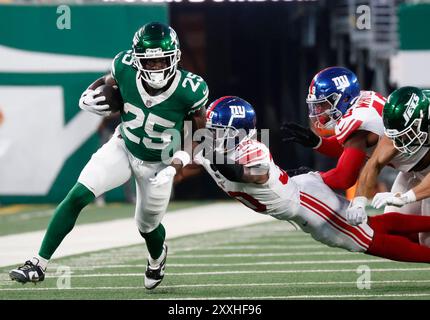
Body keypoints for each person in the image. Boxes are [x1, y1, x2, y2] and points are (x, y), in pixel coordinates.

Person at [9, 22, 209, 290]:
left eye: (161, 60)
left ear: (175, 57)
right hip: (124, 146)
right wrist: (89, 95)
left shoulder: (191, 88)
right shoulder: (123, 66)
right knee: (78, 195)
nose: (155, 68)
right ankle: (37, 263)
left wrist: (179, 161)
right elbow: (107, 82)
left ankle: (157, 258)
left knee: (147, 227)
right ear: (136, 60)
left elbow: (200, 132)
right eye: (148, 62)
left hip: (160, 162)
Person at [196, 96, 430, 263]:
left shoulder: (251, 149)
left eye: (218, 130)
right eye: (211, 129)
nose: (212, 134)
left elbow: (249, 174)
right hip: (303, 193)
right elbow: (188, 151)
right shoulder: (214, 150)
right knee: (373, 227)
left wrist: (211, 155)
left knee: (369, 241)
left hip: (305, 203)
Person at [346, 87, 430, 246]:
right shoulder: (401, 125)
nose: (400, 142)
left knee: (428, 241)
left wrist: (405, 197)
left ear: (422, 121)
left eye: (406, 133)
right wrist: (359, 202)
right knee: (392, 227)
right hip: (414, 173)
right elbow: (374, 163)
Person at [281, 67, 386, 190]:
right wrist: (318, 142)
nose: (319, 111)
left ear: (345, 98)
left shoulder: (357, 121)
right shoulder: (361, 99)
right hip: (409, 164)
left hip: (413, 165)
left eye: (323, 104)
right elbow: (350, 148)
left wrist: (312, 177)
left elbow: (344, 179)